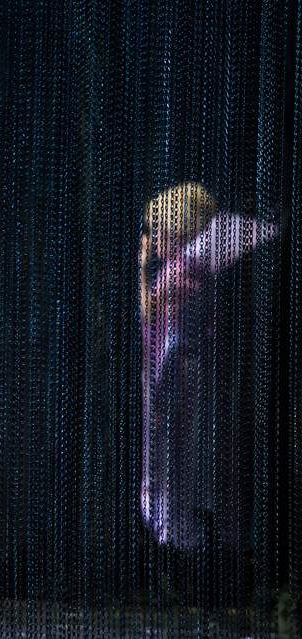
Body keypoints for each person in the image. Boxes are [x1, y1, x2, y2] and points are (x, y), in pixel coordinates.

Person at [138, 182, 279, 600]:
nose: (153, 242)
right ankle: (185, 550)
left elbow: (155, 319)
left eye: (158, 233)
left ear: (177, 233)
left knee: (167, 474)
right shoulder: (187, 268)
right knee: (170, 473)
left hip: (174, 380)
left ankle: (184, 557)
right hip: (175, 378)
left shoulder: (183, 271)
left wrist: (143, 270)